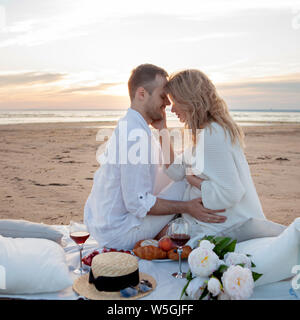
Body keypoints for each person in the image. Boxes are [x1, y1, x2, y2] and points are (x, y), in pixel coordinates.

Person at [84, 64, 226, 250]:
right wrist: (187, 207)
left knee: (187, 167)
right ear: (141, 94)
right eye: (162, 96)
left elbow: (170, 171)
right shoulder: (135, 136)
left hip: (105, 224)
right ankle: (205, 220)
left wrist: (162, 131)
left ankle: (168, 229)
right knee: (189, 174)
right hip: (118, 234)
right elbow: (138, 203)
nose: (167, 103)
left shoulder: (134, 126)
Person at [155, 69, 266, 241]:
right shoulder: (204, 132)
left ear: (189, 100)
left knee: (155, 237)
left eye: (175, 101)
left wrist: (193, 180)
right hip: (207, 221)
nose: (172, 109)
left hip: (222, 227)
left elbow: (231, 192)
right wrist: (162, 129)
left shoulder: (211, 135)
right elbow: (174, 171)